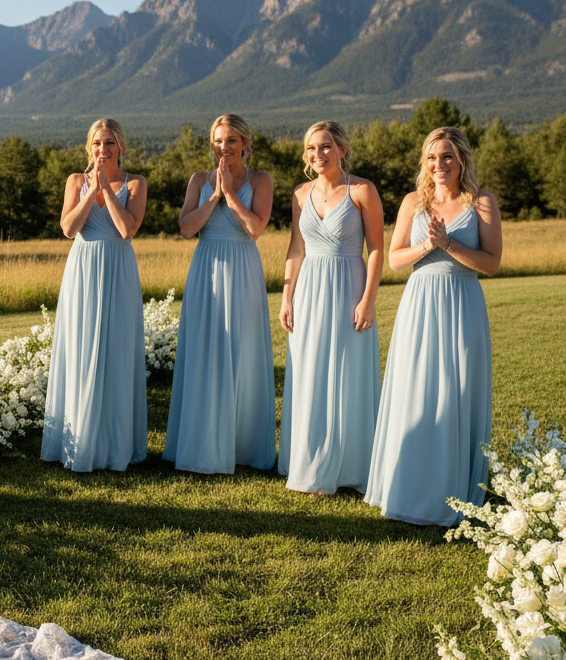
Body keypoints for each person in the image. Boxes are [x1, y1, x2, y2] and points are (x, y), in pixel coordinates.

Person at [366, 127, 502, 526]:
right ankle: (408, 486)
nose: (438, 165)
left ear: (461, 160)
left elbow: (491, 264)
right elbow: (394, 260)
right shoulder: (413, 202)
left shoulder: (481, 203)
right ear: (424, 163)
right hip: (419, 303)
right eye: (431, 158)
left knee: (456, 393)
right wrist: (428, 245)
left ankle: (452, 494)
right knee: (416, 392)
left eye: (446, 157)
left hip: (463, 304)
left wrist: (449, 245)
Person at [163, 114, 276, 474]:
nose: (223, 147)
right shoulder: (199, 180)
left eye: (230, 140)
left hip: (242, 268)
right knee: (204, 349)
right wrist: (214, 196)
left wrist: (232, 195)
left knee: (241, 350)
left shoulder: (260, 181)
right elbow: (186, 229)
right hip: (205, 267)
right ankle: (200, 440)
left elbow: (255, 228)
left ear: (245, 143)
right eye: (217, 140)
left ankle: (240, 444)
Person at [277, 121, 383, 495]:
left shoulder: (362, 191)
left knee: (345, 371)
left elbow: (376, 250)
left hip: (348, 288)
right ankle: (308, 460)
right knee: (310, 371)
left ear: (342, 150)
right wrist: (287, 297)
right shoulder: (301, 193)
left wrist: (368, 299)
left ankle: (348, 466)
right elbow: (296, 248)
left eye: (325, 147)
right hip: (308, 290)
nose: (318, 154)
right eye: (311, 148)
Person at [40, 118, 149, 472]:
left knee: (116, 351)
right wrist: (92, 191)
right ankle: (77, 442)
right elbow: (69, 229)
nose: (103, 150)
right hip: (83, 270)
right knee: (81, 349)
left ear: (121, 147)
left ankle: (115, 446)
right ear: (90, 148)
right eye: (97, 144)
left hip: (118, 270)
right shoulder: (75, 181)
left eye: (110, 144)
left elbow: (125, 230)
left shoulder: (135, 184)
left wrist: (107, 189)